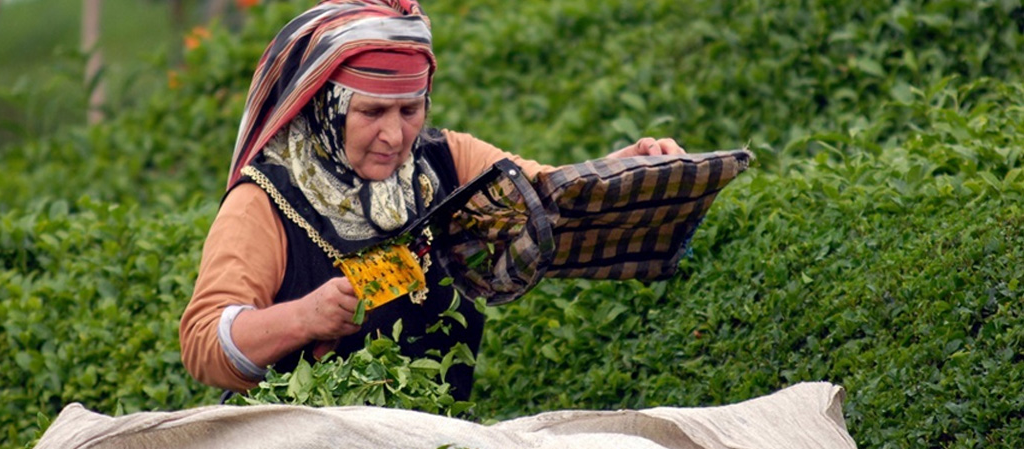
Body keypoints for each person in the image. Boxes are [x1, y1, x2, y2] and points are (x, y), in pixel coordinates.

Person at [179, 0, 684, 400]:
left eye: (410, 109)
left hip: (433, 448)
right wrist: (303, 317)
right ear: (325, 109)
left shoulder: (448, 161)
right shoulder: (264, 201)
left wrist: (631, 168)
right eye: (372, 112)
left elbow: (551, 199)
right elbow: (203, 342)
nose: (395, 136)